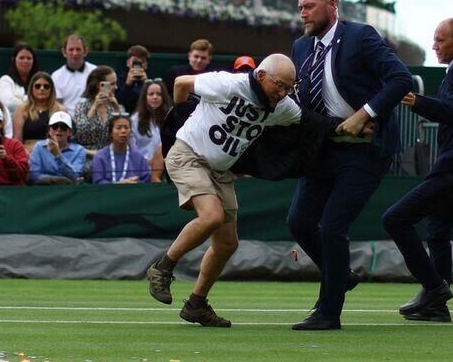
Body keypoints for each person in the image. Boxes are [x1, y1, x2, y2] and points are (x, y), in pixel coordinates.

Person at [282, 0, 413, 331]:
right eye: (300, 7)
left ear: (332, 5)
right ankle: (341, 273)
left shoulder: (360, 36)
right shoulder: (299, 47)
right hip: (322, 148)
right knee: (298, 222)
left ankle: (329, 313)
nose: (303, 13)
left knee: (332, 226)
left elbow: (401, 80)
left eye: (309, 6)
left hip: (364, 152)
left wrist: (364, 114)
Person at [146, 54, 301, 328]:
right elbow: (181, 82)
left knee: (227, 243)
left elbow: (308, 122)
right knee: (212, 216)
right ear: (262, 76)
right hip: (189, 155)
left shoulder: (282, 106)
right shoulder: (228, 84)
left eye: (289, 87)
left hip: (220, 170)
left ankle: (196, 304)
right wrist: (181, 113)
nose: (283, 92)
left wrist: (350, 126)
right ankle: (162, 267)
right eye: (280, 85)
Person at [381, 19, 453, 323]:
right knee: (438, 231)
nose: (434, 45)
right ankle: (437, 307)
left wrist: (417, 102)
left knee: (395, 218)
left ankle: (434, 289)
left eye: (440, 40)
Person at [71, 66, 125, 149]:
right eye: (112, 84)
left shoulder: (118, 108)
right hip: (88, 156)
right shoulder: (82, 107)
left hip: (111, 154)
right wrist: (94, 107)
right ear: (99, 85)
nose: (116, 87)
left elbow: (125, 133)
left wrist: (116, 107)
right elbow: (81, 134)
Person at [28, 111, 87, 184]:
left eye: (63, 127)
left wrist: (58, 156)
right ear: (50, 130)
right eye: (55, 126)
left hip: (69, 190)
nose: (59, 130)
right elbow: (34, 175)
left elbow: (76, 176)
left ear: (70, 132)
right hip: (43, 189)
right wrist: (57, 180)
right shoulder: (39, 147)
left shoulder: (79, 150)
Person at [90, 114, 150, 184]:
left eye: (126, 128)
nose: (123, 131)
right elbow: (98, 182)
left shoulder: (139, 157)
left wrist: (134, 185)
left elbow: (146, 181)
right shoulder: (100, 157)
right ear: (110, 133)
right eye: (119, 128)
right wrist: (119, 184)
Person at [130, 79, 170, 181]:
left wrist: (158, 161)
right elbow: (132, 146)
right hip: (141, 166)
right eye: (151, 94)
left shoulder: (170, 118)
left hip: (167, 165)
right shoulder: (135, 119)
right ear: (145, 97)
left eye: (158, 94)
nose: (155, 97)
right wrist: (147, 161)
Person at [13, 71, 62, 151]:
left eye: (46, 86)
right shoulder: (21, 109)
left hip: (53, 153)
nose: (42, 89)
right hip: (28, 153)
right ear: (31, 89)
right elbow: (17, 141)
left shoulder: (60, 110)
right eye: (38, 86)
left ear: (51, 89)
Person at [50, 34, 94, 105]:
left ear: (85, 51)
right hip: (66, 115)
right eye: (71, 49)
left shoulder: (95, 72)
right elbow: (57, 104)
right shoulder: (56, 76)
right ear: (64, 52)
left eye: (78, 49)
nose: (75, 53)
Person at [0, 43, 39, 114]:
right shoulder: (5, 80)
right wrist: (35, 103)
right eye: (21, 58)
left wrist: (20, 98)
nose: (25, 61)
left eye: (29, 58)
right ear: (14, 59)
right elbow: (9, 103)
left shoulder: (39, 81)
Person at [116, 45, 152, 112]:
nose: (138, 64)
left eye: (142, 61)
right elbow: (118, 102)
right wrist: (127, 84)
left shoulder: (151, 82)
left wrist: (147, 84)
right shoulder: (118, 80)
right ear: (128, 63)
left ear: (146, 65)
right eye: (135, 61)